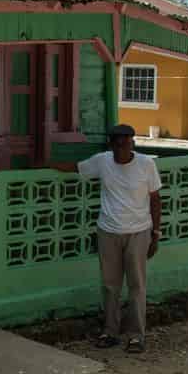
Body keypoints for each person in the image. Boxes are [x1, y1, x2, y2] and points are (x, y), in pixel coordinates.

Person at [53, 123, 162, 352]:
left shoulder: (146, 164)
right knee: (110, 286)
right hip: (108, 232)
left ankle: (136, 335)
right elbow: (75, 167)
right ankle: (110, 331)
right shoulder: (102, 161)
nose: (122, 148)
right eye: (118, 144)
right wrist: (44, 164)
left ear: (133, 143)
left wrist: (156, 234)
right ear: (111, 145)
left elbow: (155, 199)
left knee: (137, 286)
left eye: (127, 143)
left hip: (138, 232)